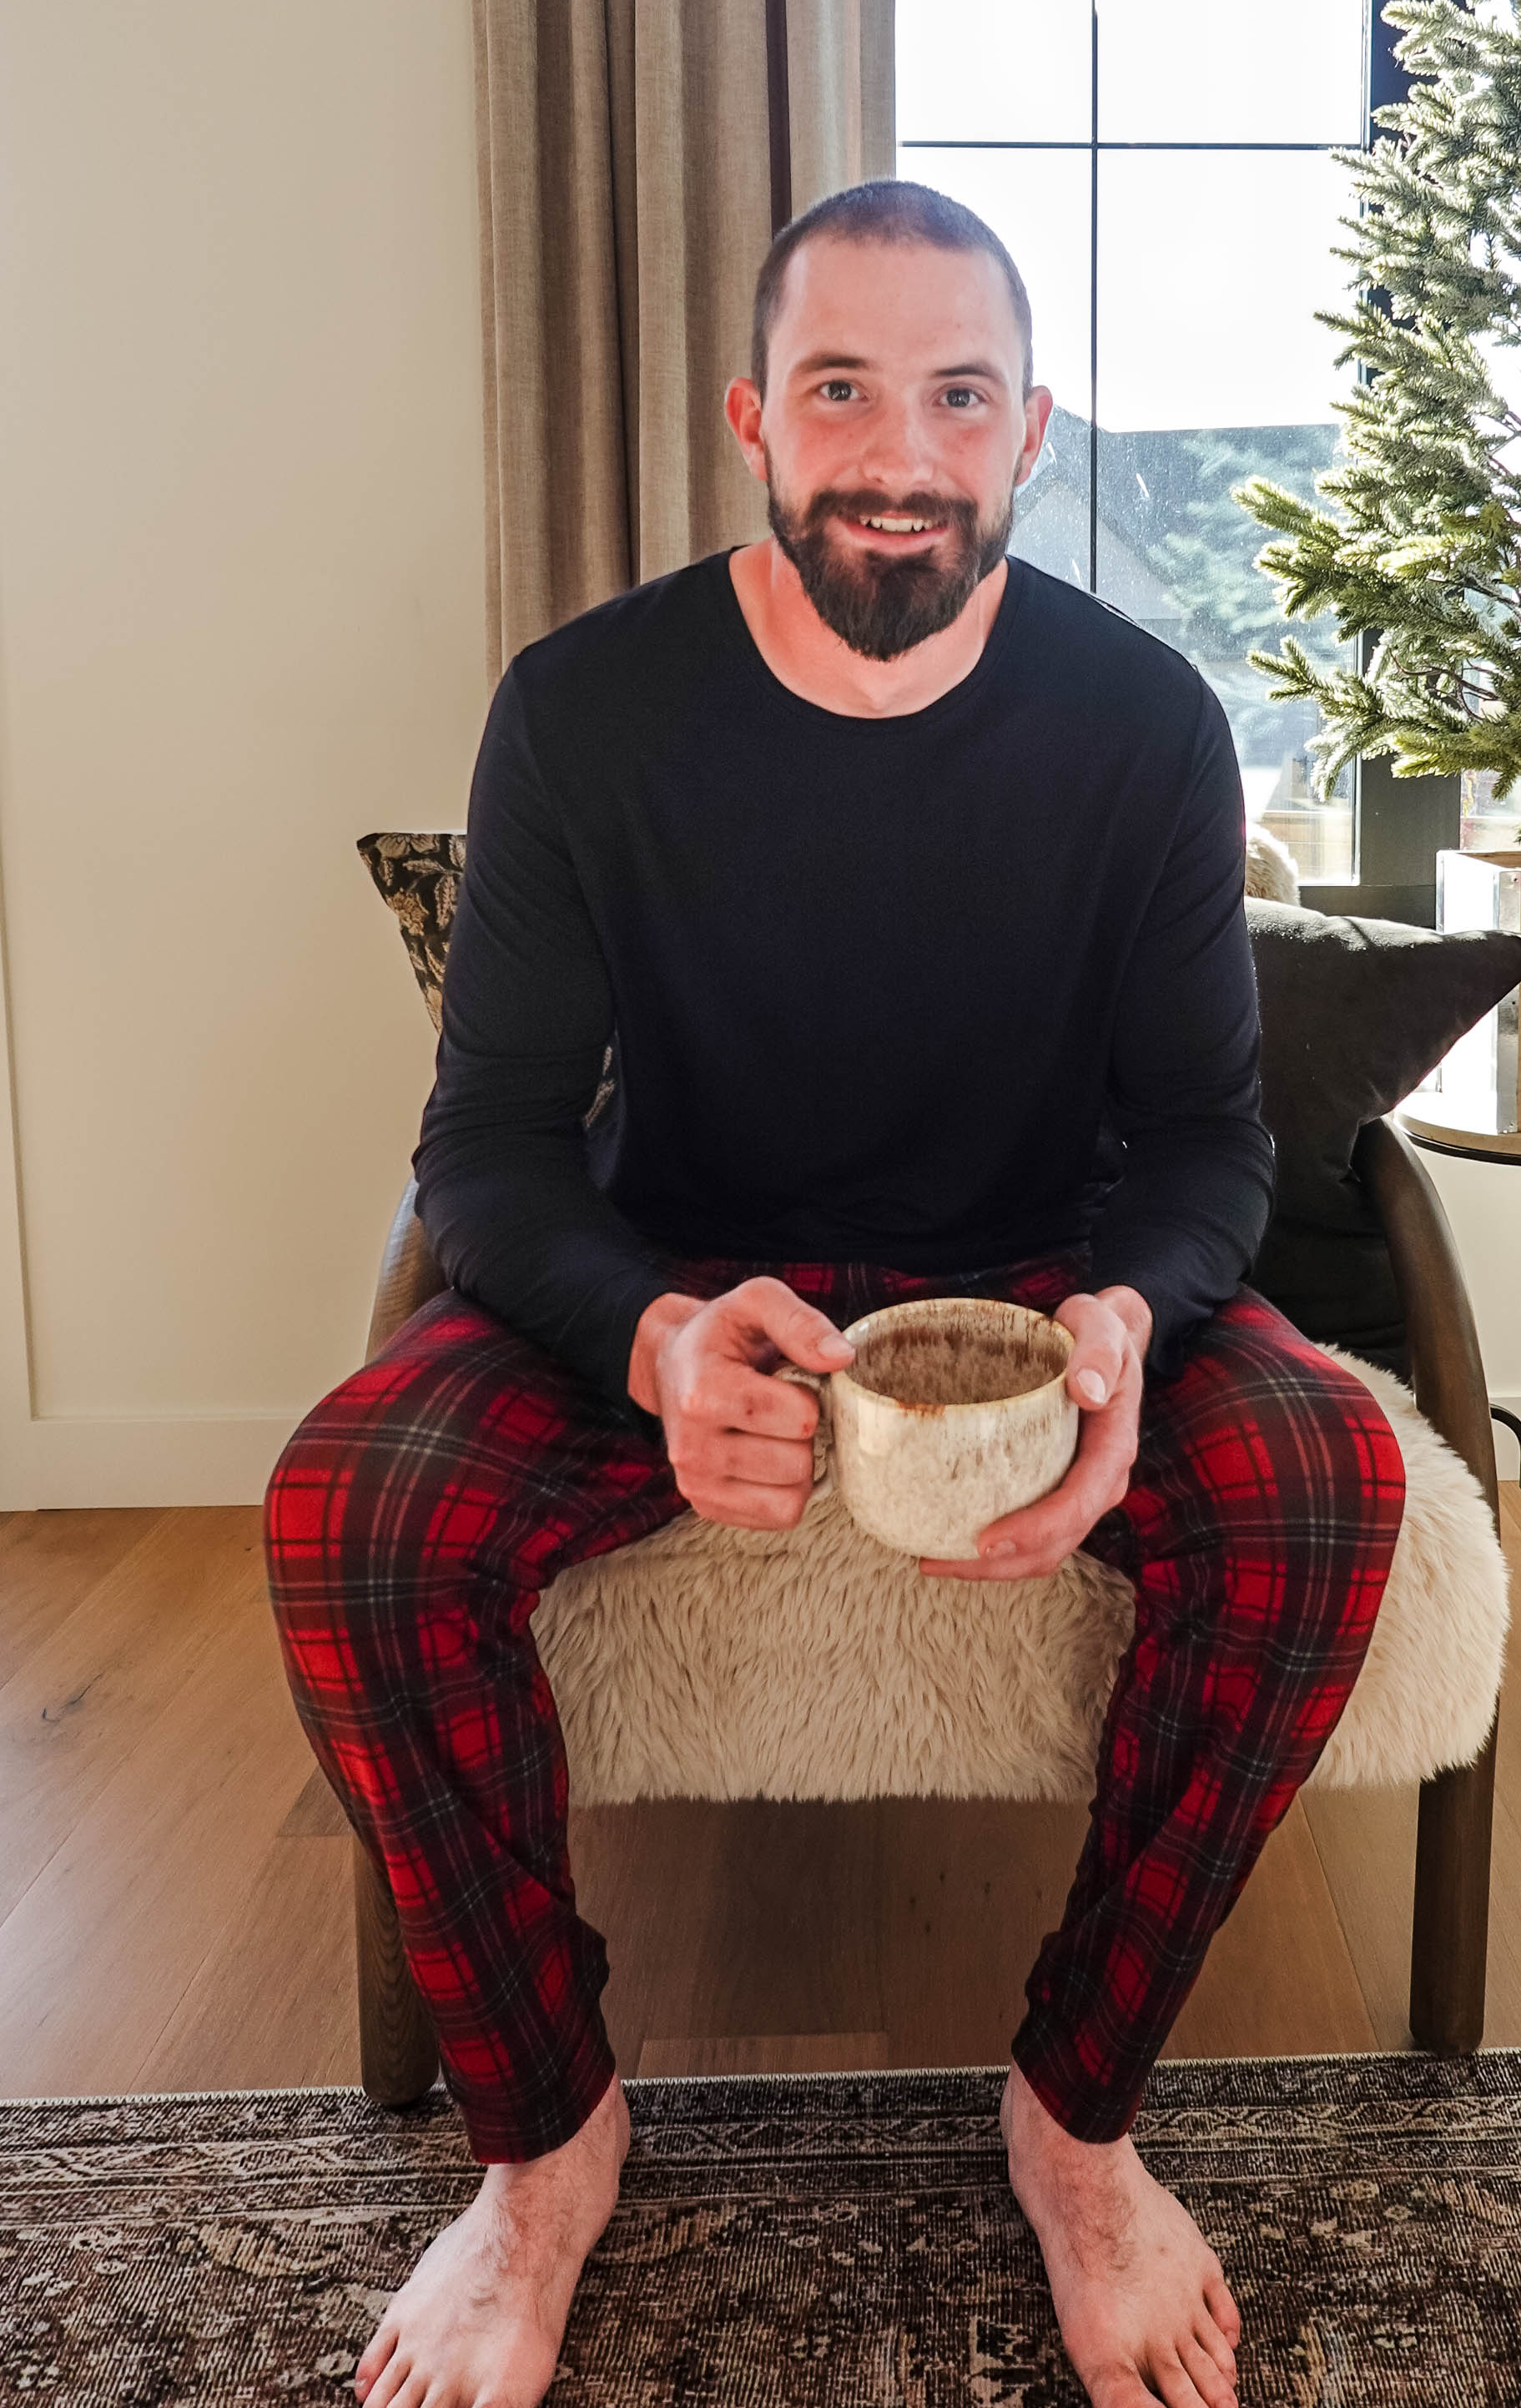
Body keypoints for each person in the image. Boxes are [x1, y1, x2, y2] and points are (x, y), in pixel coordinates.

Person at [264, 179, 1405, 2408]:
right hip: (693, 1273)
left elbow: (1207, 1146)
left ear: (1032, 434)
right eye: (841, 389)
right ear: (752, 426)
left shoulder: (1151, 727)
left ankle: (1074, 2116)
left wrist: (1133, 1323)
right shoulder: (584, 713)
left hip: (1036, 1280)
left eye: (958, 395)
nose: (901, 448)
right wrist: (651, 1337)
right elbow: (483, 1150)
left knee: (1327, 1479)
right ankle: (543, 2145)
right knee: (342, 1509)